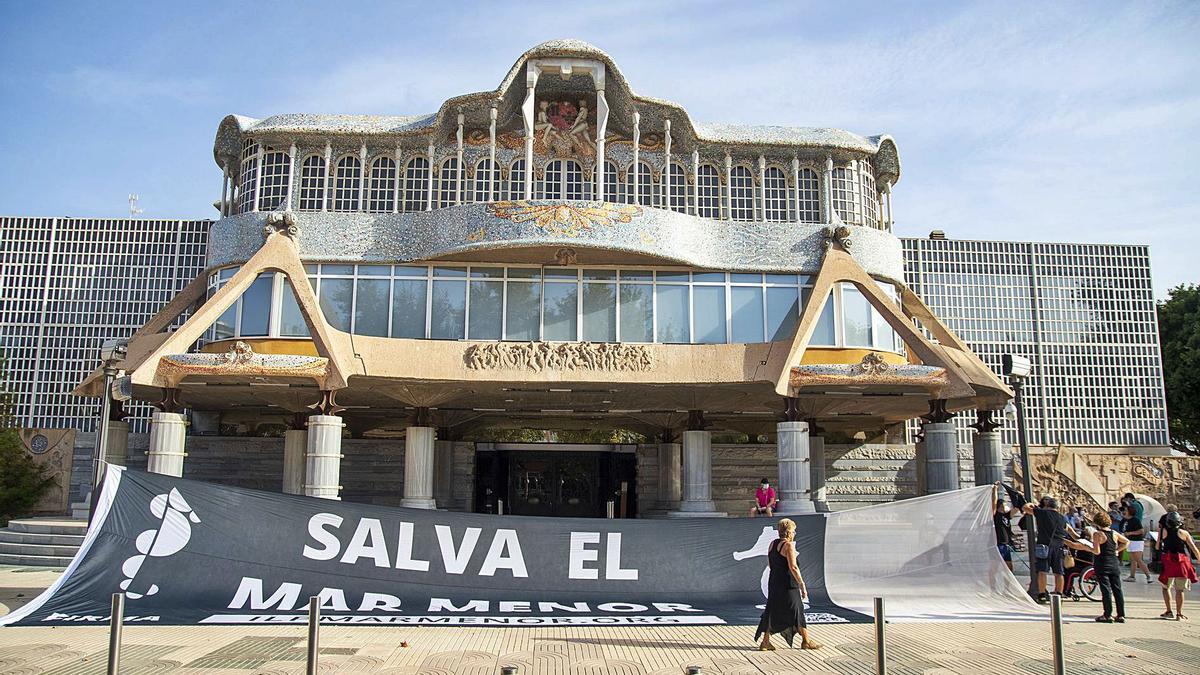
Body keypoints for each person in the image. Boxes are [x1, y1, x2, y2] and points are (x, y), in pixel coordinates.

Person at [755, 518, 821, 650]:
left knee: (772, 609)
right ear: (789, 532)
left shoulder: (772, 544)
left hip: (774, 581)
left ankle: (765, 641)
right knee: (797, 610)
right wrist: (802, 584)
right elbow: (793, 567)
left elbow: (770, 563)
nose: (795, 534)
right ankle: (806, 641)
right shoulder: (788, 546)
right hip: (788, 584)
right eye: (794, 531)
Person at [1066, 510, 1128, 622]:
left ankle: (1107, 615)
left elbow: (1097, 551)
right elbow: (1126, 542)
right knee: (1117, 589)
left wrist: (1086, 547)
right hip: (1114, 564)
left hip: (1102, 564)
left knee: (1106, 590)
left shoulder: (1098, 534)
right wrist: (1117, 550)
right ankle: (1121, 614)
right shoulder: (1114, 533)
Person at [1023, 496, 1081, 604]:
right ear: (1057, 507)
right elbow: (1071, 532)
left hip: (1044, 545)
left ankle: (1041, 595)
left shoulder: (1042, 513)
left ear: (1047, 506)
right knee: (1059, 572)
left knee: (1042, 571)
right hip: (1059, 546)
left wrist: (1031, 504)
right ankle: (1058, 594)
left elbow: (1025, 508)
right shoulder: (1062, 518)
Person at [1158, 513, 1200, 621]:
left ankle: (1168, 611)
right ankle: (1179, 614)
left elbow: (1157, 546)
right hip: (1181, 562)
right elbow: (1194, 549)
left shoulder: (1163, 531)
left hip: (1168, 562)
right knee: (1180, 590)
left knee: (1165, 587)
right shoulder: (1183, 533)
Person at [1122, 504, 1153, 583]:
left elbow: (1141, 531)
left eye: (1126, 510)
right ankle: (1132, 576)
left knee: (1138, 560)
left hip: (1136, 541)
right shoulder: (1125, 520)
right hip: (1130, 541)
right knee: (1133, 560)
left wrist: (1130, 533)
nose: (1124, 512)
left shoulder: (1135, 520)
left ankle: (1148, 576)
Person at [994, 498, 1017, 572]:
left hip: (1007, 545)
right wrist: (995, 489)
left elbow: (1015, 509)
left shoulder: (1006, 516)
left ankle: (1008, 583)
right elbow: (993, 504)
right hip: (999, 544)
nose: (1005, 507)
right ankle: (991, 582)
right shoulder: (996, 516)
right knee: (995, 566)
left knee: (1009, 566)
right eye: (1004, 505)